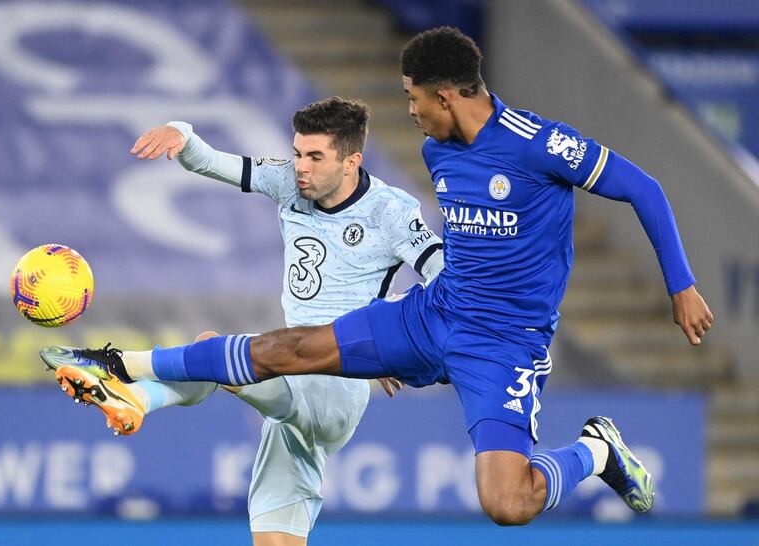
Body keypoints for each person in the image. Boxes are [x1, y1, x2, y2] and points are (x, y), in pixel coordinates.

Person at [42, 28, 714, 525]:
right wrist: (397, 345)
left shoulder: (540, 145)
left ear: (445, 96)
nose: (411, 111)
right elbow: (454, 258)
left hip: (502, 344)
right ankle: (114, 362)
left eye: (414, 98)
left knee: (508, 504)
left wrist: (679, 285)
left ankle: (597, 452)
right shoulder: (436, 149)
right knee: (288, 348)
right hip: (432, 315)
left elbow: (645, 189)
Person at [42, 97, 443, 544]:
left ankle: (118, 366)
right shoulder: (289, 183)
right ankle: (137, 401)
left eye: (315, 157)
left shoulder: (391, 211)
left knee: (217, 353)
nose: (300, 168)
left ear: (352, 161)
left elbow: (446, 279)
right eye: (297, 153)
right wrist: (182, 132)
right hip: (288, 379)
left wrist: (388, 333)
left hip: (334, 383)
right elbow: (212, 162)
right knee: (273, 535)